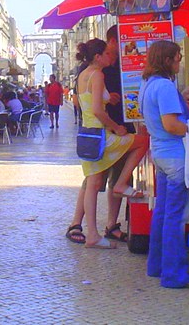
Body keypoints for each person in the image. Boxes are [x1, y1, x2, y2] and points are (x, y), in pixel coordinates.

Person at [139, 40, 189, 289]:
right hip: (176, 157)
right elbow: (171, 125)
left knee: (163, 212)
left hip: (160, 153)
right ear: (167, 60)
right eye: (177, 58)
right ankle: (175, 274)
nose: (180, 62)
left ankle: (156, 265)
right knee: (175, 217)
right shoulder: (165, 87)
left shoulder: (146, 84)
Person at [75, 38, 148, 249]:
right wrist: (116, 127)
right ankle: (121, 183)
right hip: (102, 134)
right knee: (142, 142)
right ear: (98, 57)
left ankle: (92, 234)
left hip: (88, 134)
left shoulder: (83, 74)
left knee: (93, 184)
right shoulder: (98, 75)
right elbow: (98, 110)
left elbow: (89, 104)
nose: (112, 56)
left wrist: (109, 98)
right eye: (108, 53)